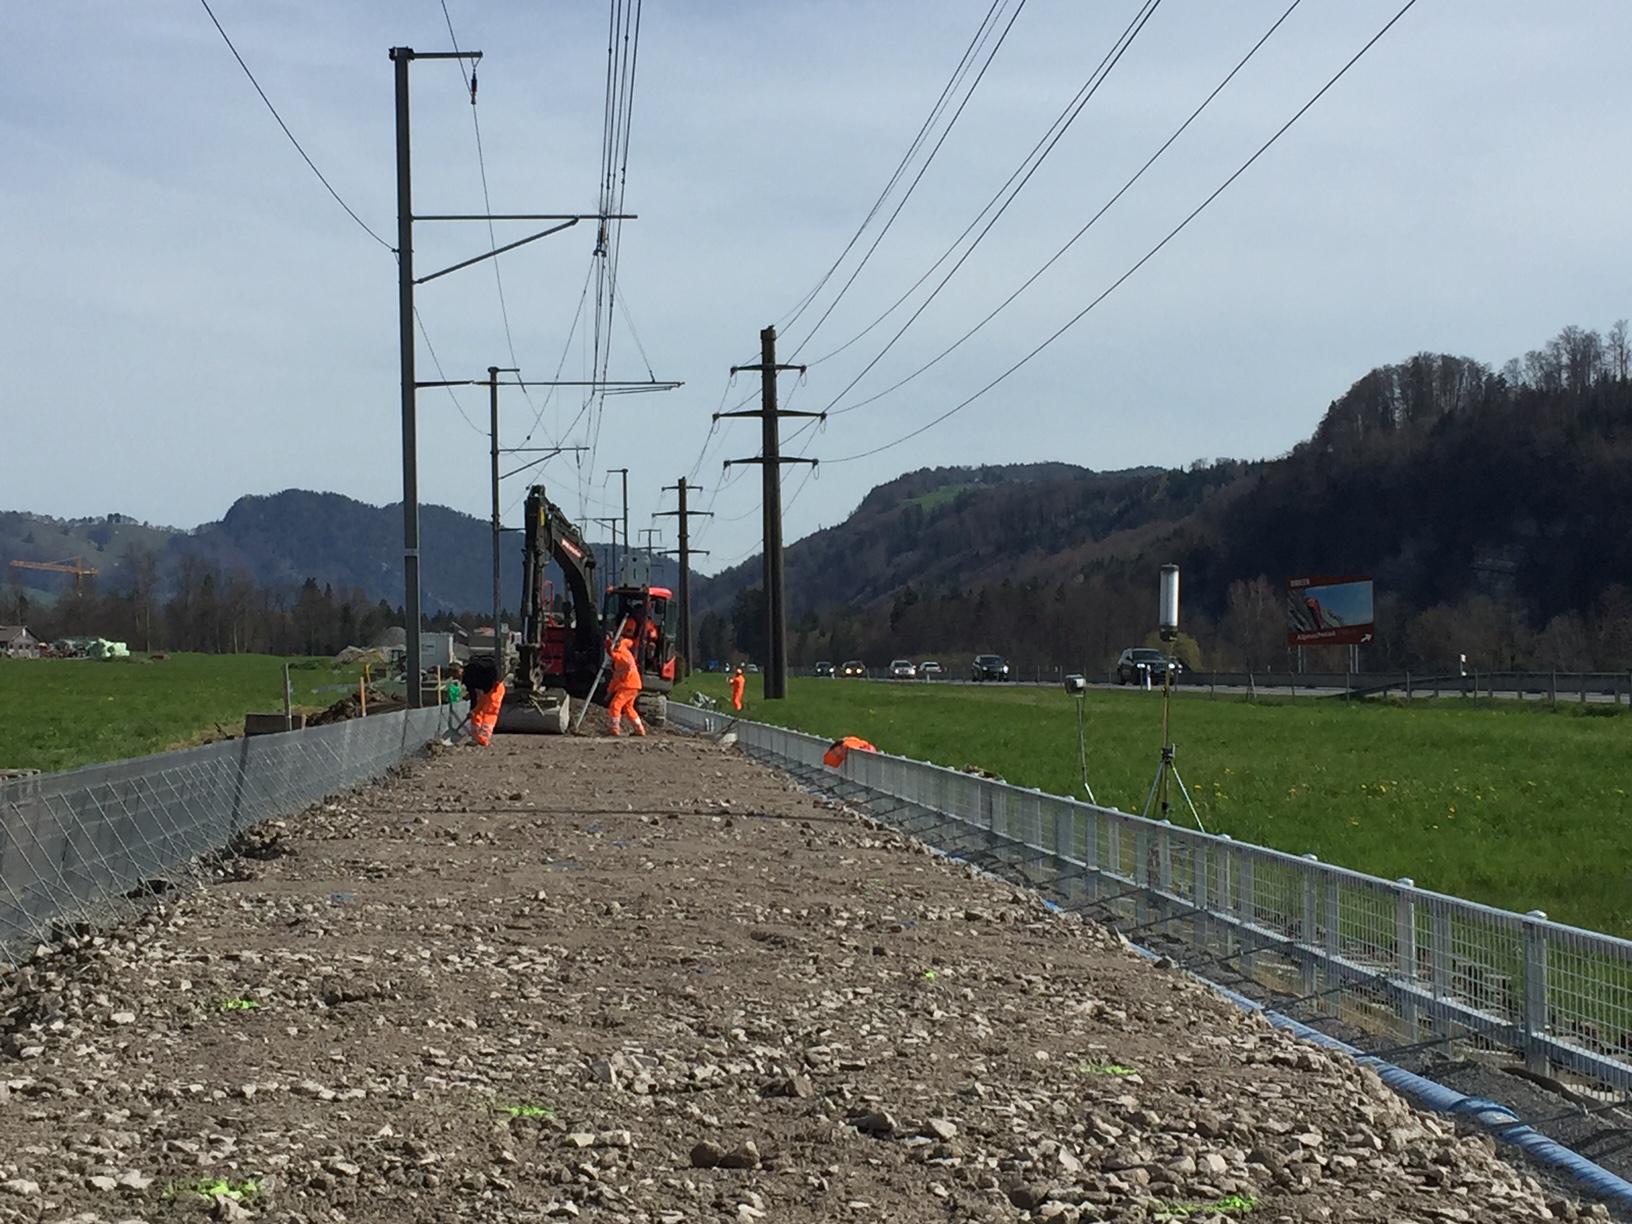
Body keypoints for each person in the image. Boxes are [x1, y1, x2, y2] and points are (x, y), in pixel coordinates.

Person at [607, 632, 646, 737]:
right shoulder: (622, 653)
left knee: (615, 705)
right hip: (633, 685)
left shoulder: (623, 654)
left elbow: (625, 662)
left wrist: (611, 652)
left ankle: (615, 728)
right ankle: (639, 728)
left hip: (628, 685)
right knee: (628, 708)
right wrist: (610, 690)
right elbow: (616, 677)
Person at [463, 655, 504, 747]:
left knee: (490, 712)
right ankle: (476, 737)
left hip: (495, 687)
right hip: (487, 686)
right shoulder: (470, 677)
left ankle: (483, 738)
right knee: (477, 712)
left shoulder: (471, 676)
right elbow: (474, 697)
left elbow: (479, 695)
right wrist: (473, 710)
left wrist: (474, 709)